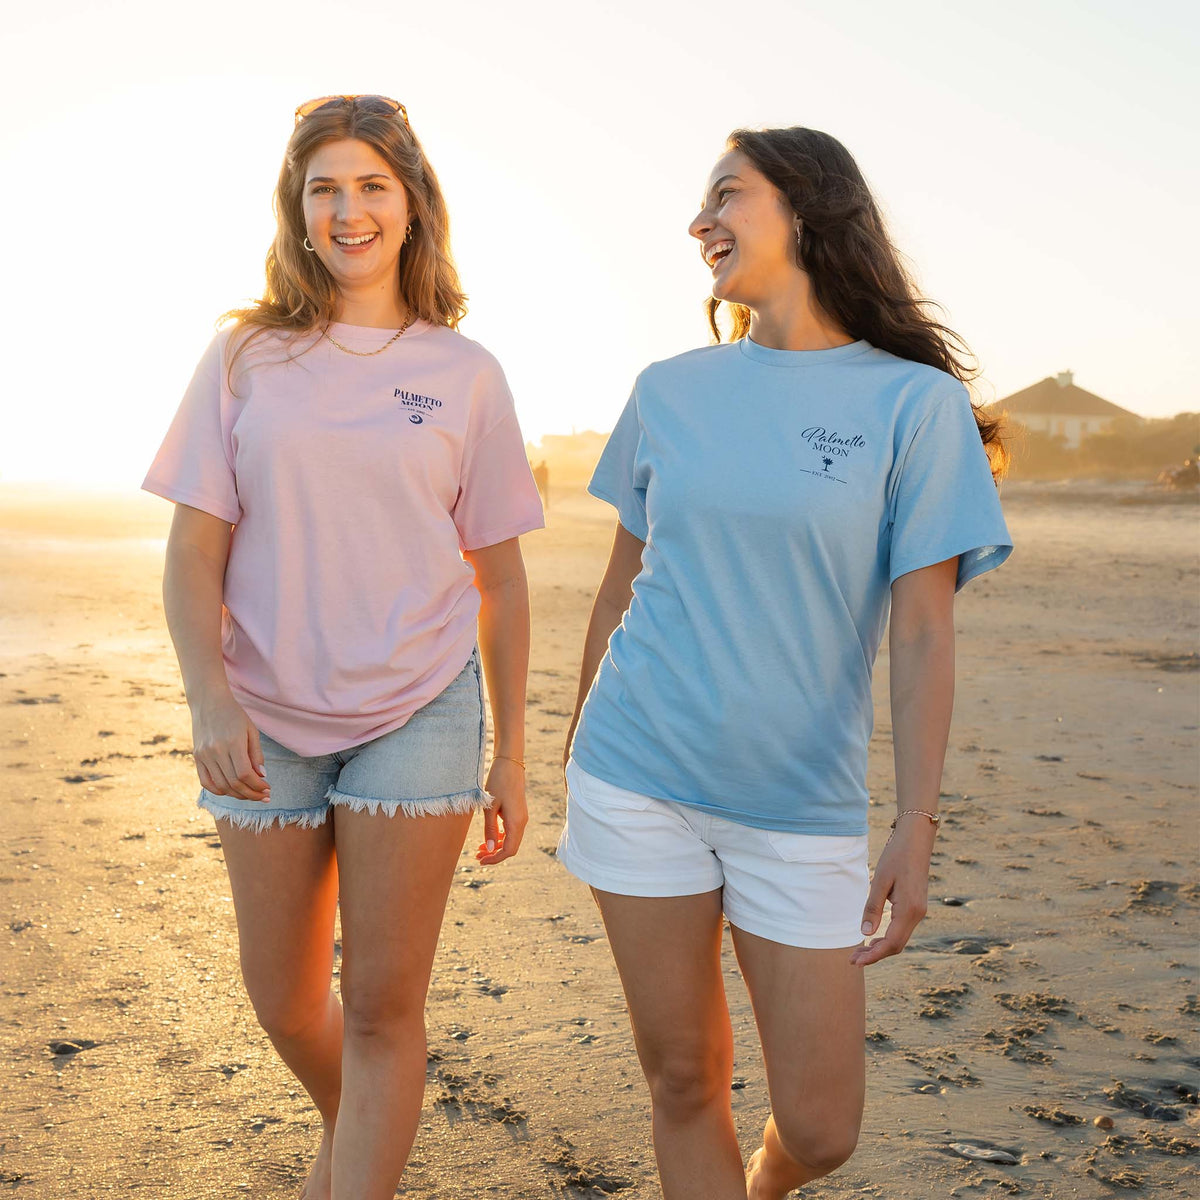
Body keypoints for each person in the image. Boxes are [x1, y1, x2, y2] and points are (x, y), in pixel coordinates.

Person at [558, 126, 1012, 1200]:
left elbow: (924, 633)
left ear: (807, 208)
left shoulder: (916, 406)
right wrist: (580, 745)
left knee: (820, 1125)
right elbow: (621, 587)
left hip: (800, 804)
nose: (699, 221)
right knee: (682, 1080)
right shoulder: (669, 389)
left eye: (726, 194)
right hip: (637, 776)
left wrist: (916, 824)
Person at [143, 95, 543, 1200]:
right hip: (263, 712)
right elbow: (193, 553)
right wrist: (209, 698)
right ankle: (366, 1126)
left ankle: (364, 1148)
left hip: (419, 706)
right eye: (324, 188)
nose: (348, 209)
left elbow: (503, 579)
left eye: (371, 185)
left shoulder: (467, 372)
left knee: (380, 1008)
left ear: (411, 205)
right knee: (281, 999)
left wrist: (511, 755)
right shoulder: (245, 357)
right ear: (298, 209)